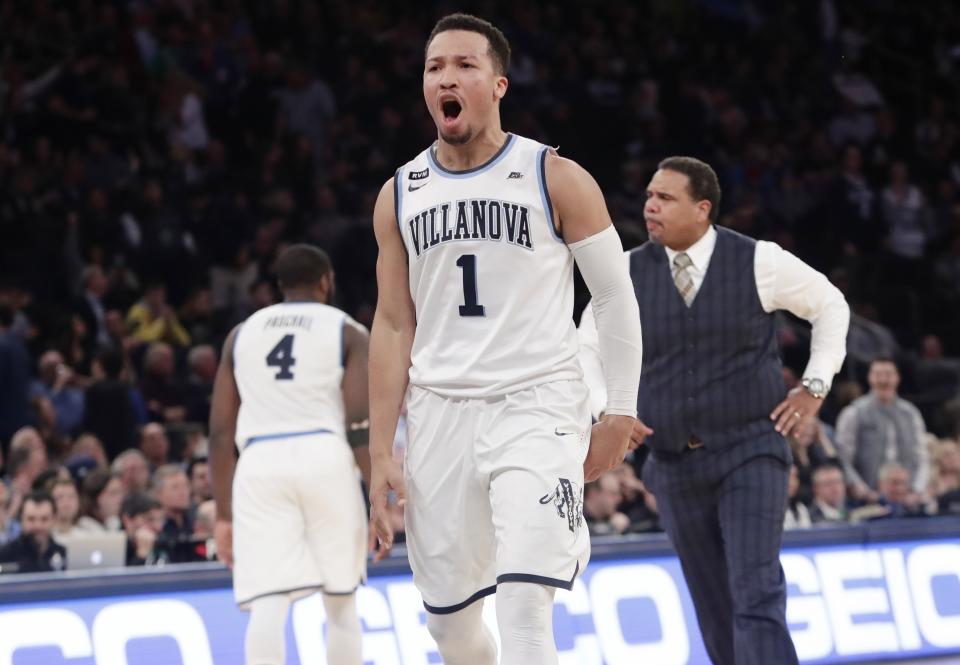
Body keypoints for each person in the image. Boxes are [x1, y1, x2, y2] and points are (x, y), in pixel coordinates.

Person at [368, 14, 642, 665]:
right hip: (439, 415)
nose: (446, 78)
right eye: (435, 68)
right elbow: (392, 323)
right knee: (452, 629)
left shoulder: (555, 176)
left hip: (537, 405)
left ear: (498, 84)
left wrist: (621, 408)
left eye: (463, 65)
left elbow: (615, 296)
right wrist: (381, 450)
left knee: (524, 609)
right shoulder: (399, 194)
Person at [580, 156, 850, 665]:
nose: (650, 206)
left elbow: (830, 304)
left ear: (702, 208)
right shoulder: (625, 272)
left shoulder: (758, 260)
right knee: (713, 604)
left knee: (755, 589)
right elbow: (585, 349)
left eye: (665, 198)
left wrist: (814, 385)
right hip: (672, 463)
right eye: (649, 196)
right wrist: (608, 407)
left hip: (750, 448)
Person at [210, 244, 370, 665]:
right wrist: (379, 496)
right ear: (325, 280)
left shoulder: (240, 334)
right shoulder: (347, 330)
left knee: (269, 600)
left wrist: (223, 514)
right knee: (340, 600)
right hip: (324, 453)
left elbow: (220, 431)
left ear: (279, 285)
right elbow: (359, 425)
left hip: (260, 461)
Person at [835, 357, 929, 498]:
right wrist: (862, 491)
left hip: (908, 497)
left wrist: (917, 490)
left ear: (897, 378)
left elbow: (921, 456)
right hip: (867, 498)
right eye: (878, 375)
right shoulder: (854, 412)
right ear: (870, 378)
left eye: (889, 375)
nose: (884, 381)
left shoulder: (910, 413)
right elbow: (843, 457)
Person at [0, 491, 66, 573]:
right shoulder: (4, 555)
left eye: (44, 519)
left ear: (54, 520)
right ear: (21, 519)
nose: (38, 526)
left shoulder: (62, 553)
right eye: (31, 519)